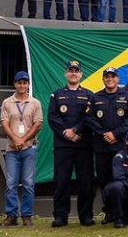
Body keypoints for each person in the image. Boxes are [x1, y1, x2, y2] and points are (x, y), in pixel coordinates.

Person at [47, 60, 96, 227]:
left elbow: (90, 118)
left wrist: (75, 130)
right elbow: (52, 118)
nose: (73, 73)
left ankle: (86, 216)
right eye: (71, 70)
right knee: (61, 181)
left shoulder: (89, 95)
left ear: (81, 74)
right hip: (63, 146)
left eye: (76, 71)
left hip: (84, 145)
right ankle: (60, 216)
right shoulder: (56, 95)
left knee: (86, 182)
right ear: (65, 73)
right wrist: (66, 133)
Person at [88, 66, 128, 225]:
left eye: (112, 77)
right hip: (102, 146)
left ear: (117, 79)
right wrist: (104, 134)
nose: (110, 79)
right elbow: (90, 119)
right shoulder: (95, 97)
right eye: (107, 77)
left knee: (122, 179)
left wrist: (115, 134)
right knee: (104, 180)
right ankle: (109, 212)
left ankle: (124, 213)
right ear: (103, 79)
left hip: (120, 147)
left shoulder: (127, 97)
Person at [0, 71, 43, 227]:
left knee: (28, 183)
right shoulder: (7, 102)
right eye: (19, 83)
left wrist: (22, 140)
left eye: (25, 83)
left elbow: (38, 124)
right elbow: (4, 123)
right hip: (12, 149)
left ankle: (26, 215)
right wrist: (15, 139)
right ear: (15, 84)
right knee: (10, 183)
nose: (22, 85)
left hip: (29, 148)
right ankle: (11, 215)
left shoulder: (35, 103)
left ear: (28, 84)